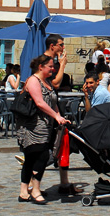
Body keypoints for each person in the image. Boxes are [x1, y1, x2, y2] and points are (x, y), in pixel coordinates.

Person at [14, 55, 70, 205]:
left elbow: (53, 102)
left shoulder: (47, 82)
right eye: (50, 66)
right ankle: (35, 190)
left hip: (45, 126)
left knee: (32, 158)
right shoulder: (33, 80)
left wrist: (59, 116)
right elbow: (39, 102)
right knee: (41, 156)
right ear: (41, 67)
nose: (53, 69)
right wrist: (55, 116)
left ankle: (24, 191)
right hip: (32, 126)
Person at [41, 35, 80, 196]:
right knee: (46, 147)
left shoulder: (52, 62)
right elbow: (55, 83)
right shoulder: (44, 62)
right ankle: (31, 183)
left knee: (65, 142)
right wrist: (63, 65)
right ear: (52, 46)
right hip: (46, 111)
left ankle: (64, 182)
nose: (63, 47)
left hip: (55, 108)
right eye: (61, 45)